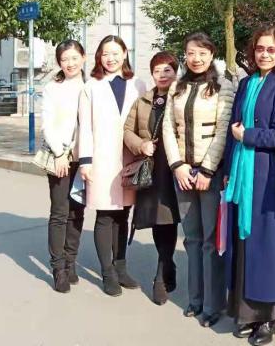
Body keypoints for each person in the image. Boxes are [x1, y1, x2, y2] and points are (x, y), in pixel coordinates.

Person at [224, 26, 275, 346]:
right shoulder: (246, 83)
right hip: (242, 175)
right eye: (259, 49)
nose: (264, 54)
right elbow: (233, 128)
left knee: (267, 248)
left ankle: (268, 317)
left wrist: (248, 136)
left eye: (271, 49)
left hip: (267, 178)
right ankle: (247, 313)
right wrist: (228, 169)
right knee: (244, 246)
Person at [162, 32, 235, 328]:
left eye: (202, 53)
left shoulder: (223, 86)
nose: (196, 58)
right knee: (191, 238)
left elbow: (223, 129)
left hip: (209, 175)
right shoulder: (177, 86)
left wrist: (207, 170)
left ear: (211, 55)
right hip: (182, 172)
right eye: (191, 52)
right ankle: (195, 299)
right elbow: (168, 127)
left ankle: (213, 304)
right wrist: (177, 165)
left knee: (210, 240)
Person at [79, 35, 145, 297]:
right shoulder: (91, 86)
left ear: (125, 53)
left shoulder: (137, 84)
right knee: (105, 215)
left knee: (123, 214)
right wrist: (85, 161)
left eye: (115, 53)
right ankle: (107, 273)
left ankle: (121, 267)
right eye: (105, 53)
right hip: (102, 159)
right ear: (99, 57)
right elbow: (85, 127)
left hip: (130, 159)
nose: (111, 58)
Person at [124, 51, 181, 305]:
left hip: (174, 168)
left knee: (169, 219)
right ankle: (167, 264)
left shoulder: (181, 97)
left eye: (167, 70)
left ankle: (160, 275)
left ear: (176, 72)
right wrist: (141, 144)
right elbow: (128, 130)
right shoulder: (144, 101)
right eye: (157, 70)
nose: (162, 75)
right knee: (157, 221)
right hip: (152, 168)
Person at [41, 39, 86, 293]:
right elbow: (47, 124)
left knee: (77, 211)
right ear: (59, 62)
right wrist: (59, 153)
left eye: (74, 58)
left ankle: (71, 261)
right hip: (60, 157)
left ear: (83, 58)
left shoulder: (92, 85)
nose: (70, 63)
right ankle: (58, 268)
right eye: (64, 59)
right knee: (59, 212)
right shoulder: (53, 88)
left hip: (85, 158)